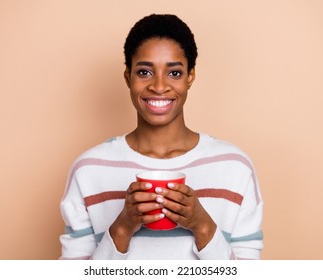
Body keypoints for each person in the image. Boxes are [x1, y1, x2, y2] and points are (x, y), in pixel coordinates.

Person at [59, 14, 263, 260]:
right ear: (128, 77)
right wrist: (122, 227)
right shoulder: (88, 170)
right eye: (144, 72)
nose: (158, 86)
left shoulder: (235, 167)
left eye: (174, 73)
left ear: (190, 77)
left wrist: (202, 226)